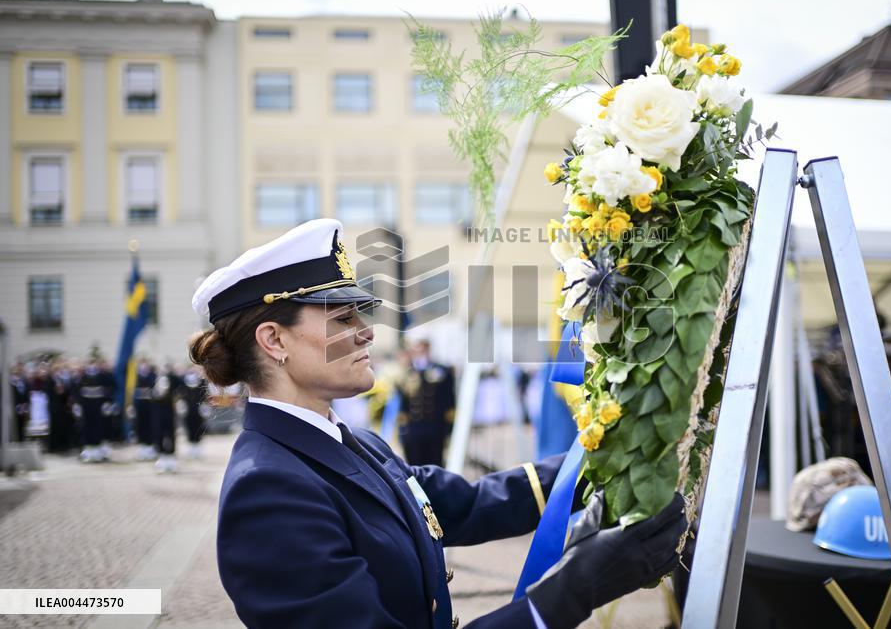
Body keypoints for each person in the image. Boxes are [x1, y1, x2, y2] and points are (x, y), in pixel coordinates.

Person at [191, 219, 687, 629]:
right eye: (342, 318)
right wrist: (573, 590)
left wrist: (604, 460)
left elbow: (467, 506)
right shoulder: (268, 490)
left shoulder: (352, 442)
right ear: (274, 340)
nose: (365, 332)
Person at [397, 338, 456, 466]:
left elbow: (449, 401)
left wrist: (448, 428)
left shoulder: (442, 371)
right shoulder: (407, 372)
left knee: (435, 464)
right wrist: (403, 430)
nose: (418, 350)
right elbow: (403, 405)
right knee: (414, 466)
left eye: (421, 346)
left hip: (435, 428)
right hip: (413, 430)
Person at [174, 364, 208, 459]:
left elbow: (205, 394)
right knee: (188, 426)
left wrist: (205, 405)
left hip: (198, 408)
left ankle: (197, 447)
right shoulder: (183, 381)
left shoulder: (202, 381)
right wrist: (181, 403)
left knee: (198, 427)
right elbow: (180, 393)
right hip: (188, 408)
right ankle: (191, 447)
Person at [133, 360, 159, 461]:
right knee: (140, 425)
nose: (144, 367)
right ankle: (142, 447)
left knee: (150, 425)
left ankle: (150, 447)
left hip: (150, 404)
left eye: (145, 365)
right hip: (140, 405)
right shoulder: (136, 376)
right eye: (142, 365)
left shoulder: (153, 375)